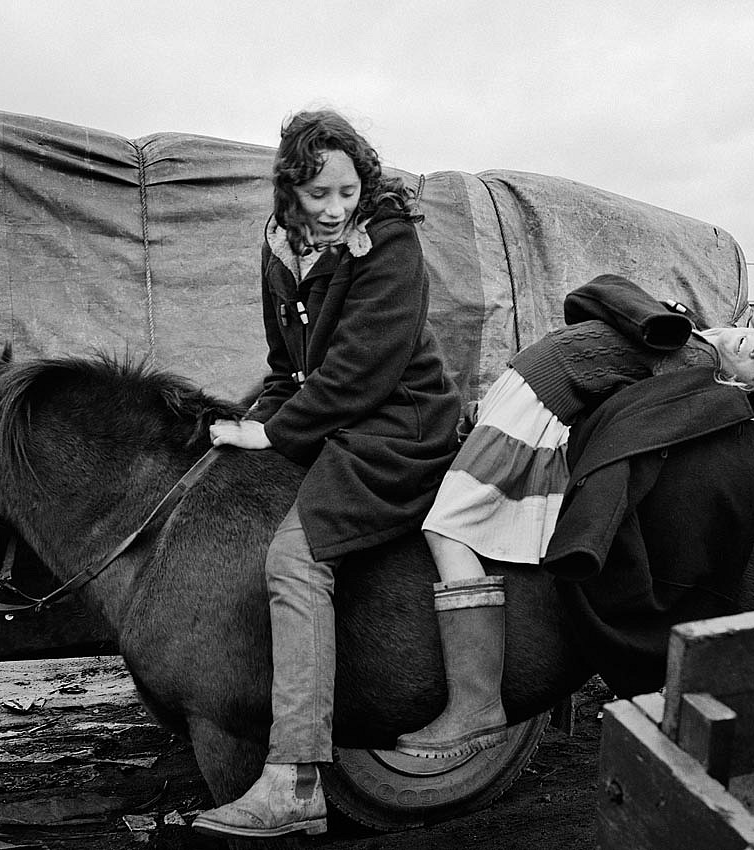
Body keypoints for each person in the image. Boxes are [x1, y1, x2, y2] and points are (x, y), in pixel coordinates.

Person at [395, 273, 754, 759]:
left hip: (531, 408)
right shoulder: (682, 328)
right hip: (519, 398)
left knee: (447, 528)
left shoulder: (694, 363)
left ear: (739, 387)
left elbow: (636, 416)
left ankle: (476, 701)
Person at [191, 110, 461, 838]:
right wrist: (240, 427)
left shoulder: (391, 242)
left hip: (396, 425)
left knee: (293, 558)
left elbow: (360, 372)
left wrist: (274, 433)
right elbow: (291, 367)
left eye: (345, 191)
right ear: (289, 194)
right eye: (317, 195)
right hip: (332, 416)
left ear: (362, 180)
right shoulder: (279, 247)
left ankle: (295, 780)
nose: (335, 209)